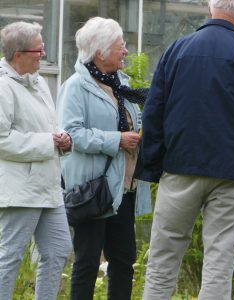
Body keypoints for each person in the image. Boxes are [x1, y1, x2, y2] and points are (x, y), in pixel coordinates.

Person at [137, 0, 234, 298]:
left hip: (179, 167)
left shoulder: (176, 50)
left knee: (164, 256)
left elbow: (153, 111)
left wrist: (153, 164)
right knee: (219, 258)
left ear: (209, 11)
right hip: (231, 173)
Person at [57, 17, 152, 300]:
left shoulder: (121, 84)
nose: (125, 52)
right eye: (120, 46)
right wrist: (117, 140)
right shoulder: (76, 87)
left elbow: (131, 121)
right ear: (100, 52)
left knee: (123, 262)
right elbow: (72, 133)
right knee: (87, 262)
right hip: (94, 188)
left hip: (124, 188)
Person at [0, 21, 72, 300]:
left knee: (58, 250)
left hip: (48, 187)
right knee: (10, 258)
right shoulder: (3, 86)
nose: (43, 54)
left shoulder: (38, 82)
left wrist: (62, 138)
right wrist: (48, 143)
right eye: (38, 50)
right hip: (20, 192)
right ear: (18, 54)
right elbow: (2, 139)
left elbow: (49, 126)